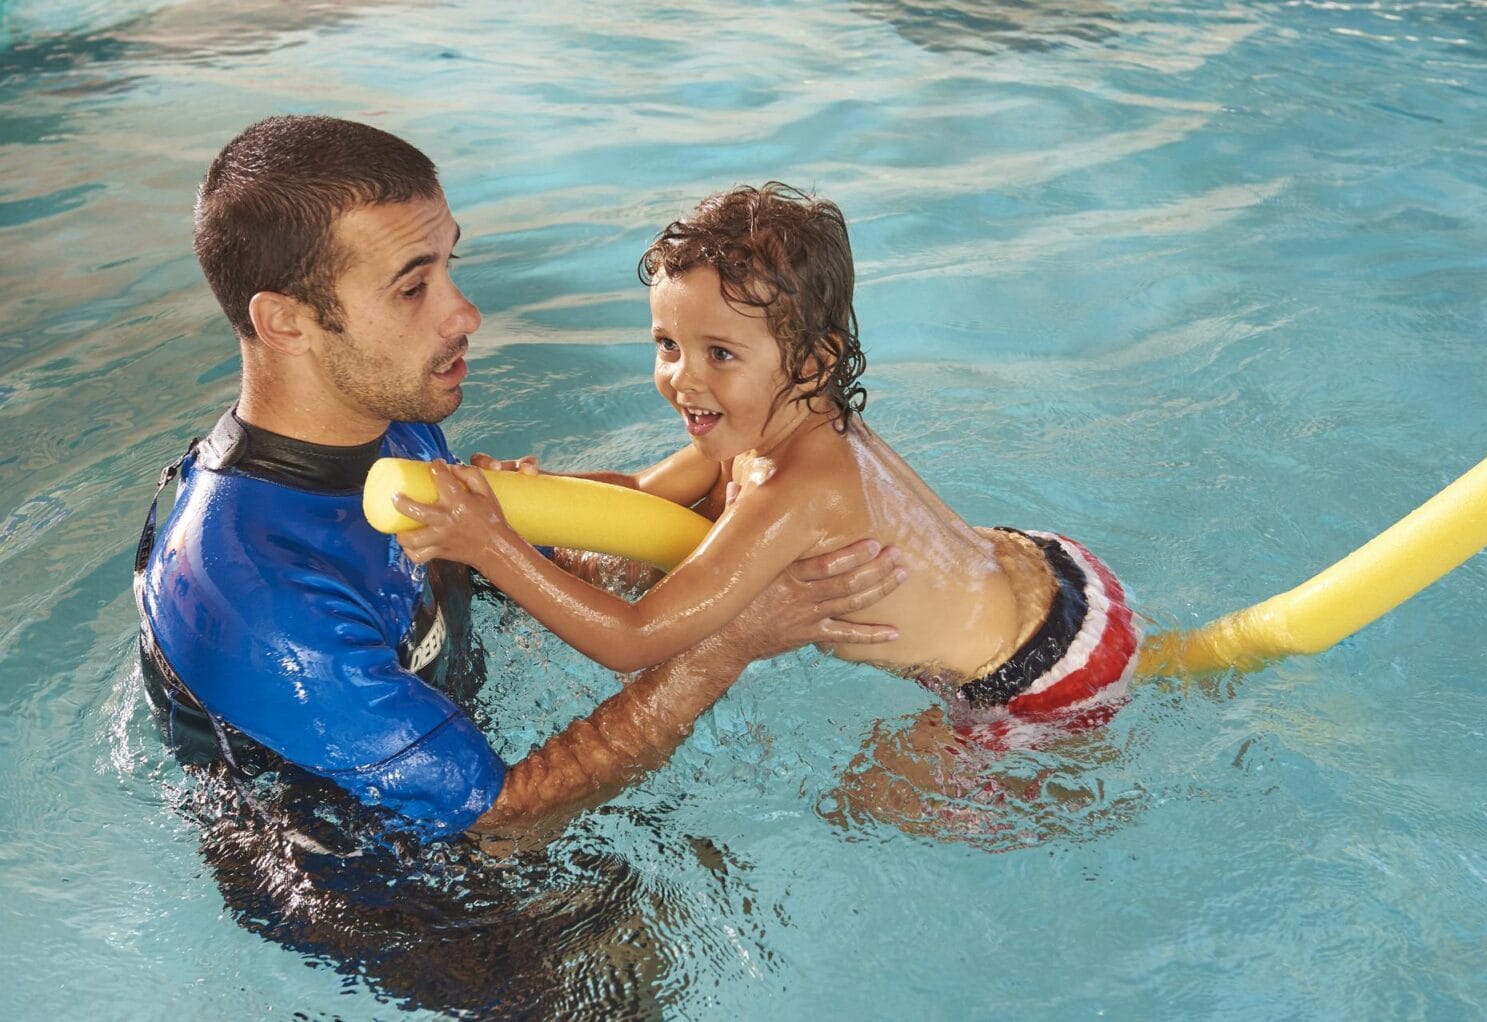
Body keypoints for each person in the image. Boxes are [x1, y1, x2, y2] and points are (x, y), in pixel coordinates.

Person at [134, 118, 906, 848]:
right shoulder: (268, 599)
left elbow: (510, 551)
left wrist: (718, 531)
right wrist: (732, 640)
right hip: (379, 884)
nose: (465, 313)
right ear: (286, 323)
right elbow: (503, 822)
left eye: (449, 267)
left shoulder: (383, 424)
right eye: (413, 288)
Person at [392, 182, 1140, 758]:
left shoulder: (795, 489)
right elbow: (644, 497)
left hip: (1035, 678)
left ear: (815, 361)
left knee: (862, 809)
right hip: (1054, 573)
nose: (684, 380)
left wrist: (490, 546)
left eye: (720, 354)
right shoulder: (777, 425)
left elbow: (635, 638)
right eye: (667, 346)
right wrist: (527, 498)